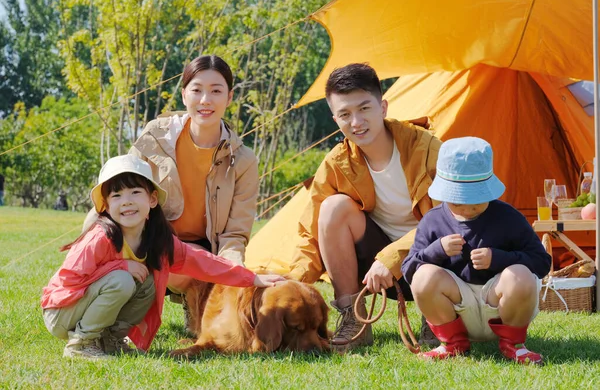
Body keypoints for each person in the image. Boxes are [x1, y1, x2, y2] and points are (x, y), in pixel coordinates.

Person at [42, 155, 283, 360]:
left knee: (148, 283)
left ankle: (109, 340)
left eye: (135, 192)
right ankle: (80, 345)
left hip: (85, 308)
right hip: (63, 312)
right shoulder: (100, 238)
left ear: (152, 199)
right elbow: (68, 279)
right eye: (116, 195)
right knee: (123, 279)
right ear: (105, 206)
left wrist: (252, 279)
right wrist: (121, 265)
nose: (126, 201)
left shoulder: (157, 241)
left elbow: (204, 262)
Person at [83, 55, 259, 330]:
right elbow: (123, 188)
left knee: (179, 260)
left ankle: (196, 301)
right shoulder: (157, 137)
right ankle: (90, 307)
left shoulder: (244, 160)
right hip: (146, 237)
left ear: (229, 96)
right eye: (197, 90)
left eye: (216, 91)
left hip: (198, 252)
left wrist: (234, 274)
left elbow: (234, 235)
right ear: (184, 93)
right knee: (94, 222)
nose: (205, 100)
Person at [287, 63, 441, 350]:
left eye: (364, 109)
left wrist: (392, 257)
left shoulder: (427, 148)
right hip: (373, 267)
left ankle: (437, 317)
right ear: (335, 119)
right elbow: (309, 231)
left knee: (447, 235)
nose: (356, 122)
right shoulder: (337, 162)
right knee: (333, 208)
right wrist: (291, 284)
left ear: (382, 107)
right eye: (345, 114)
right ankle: (353, 317)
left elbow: (446, 220)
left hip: (431, 259)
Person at [401, 137, 551, 365]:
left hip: (502, 307)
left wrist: (499, 259)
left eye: (476, 201)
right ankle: (452, 344)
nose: (468, 208)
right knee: (423, 277)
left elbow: (542, 262)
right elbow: (409, 270)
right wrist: (437, 250)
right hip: (455, 309)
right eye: (458, 202)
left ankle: (515, 345)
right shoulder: (432, 221)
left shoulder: (508, 217)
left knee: (520, 275)